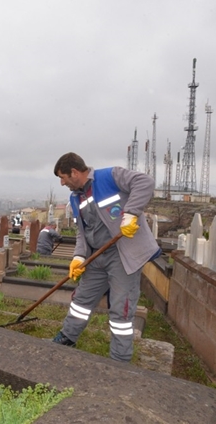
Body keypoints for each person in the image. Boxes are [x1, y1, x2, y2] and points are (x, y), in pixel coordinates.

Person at [50, 152, 159, 363]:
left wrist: (131, 214)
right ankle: (68, 337)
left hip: (122, 255)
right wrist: (79, 257)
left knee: (120, 309)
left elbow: (145, 182)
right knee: (81, 300)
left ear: (74, 172)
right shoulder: (76, 197)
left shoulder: (109, 177)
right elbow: (83, 232)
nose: (62, 183)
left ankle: (119, 359)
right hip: (96, 257)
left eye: (63, 177)